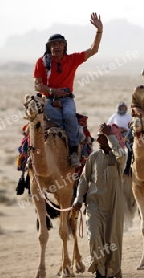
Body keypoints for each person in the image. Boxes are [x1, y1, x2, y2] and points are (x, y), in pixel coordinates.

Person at [33, 12, 103, 167]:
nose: (56, 47)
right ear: (49, 47)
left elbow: (94, 50)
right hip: (48, 98)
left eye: (59, 44)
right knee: (41, 116)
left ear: (64, 46)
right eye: (53, 44)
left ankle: (73, 151)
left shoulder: (72, 59)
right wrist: (53, 92)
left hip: (67, 98)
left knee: (69, 115)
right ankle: (32, 160)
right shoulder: (42, 62)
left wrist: (99, 31)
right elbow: (37, 85)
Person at [72, 123, 127, 278]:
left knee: (112, 241)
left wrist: (110, 135)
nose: (99, 139)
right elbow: (83, 179)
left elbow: (121, 153)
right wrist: (78, 198)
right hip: (94, 204)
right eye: (99, 136)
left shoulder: (118, 159)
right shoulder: (93, 157)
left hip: (113, 205)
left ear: (109, 138)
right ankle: (99, 272)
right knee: (94, 236)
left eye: (102, 136)